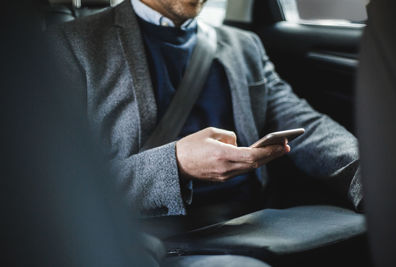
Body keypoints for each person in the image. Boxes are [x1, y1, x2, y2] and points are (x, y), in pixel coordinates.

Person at [49, 0, 363, 235]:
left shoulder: (244, 45)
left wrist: (373, 180)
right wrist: (175, 164)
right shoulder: (70, 45)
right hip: (148, 237)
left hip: (254, 222)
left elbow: (308, 126)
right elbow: (62, 187)